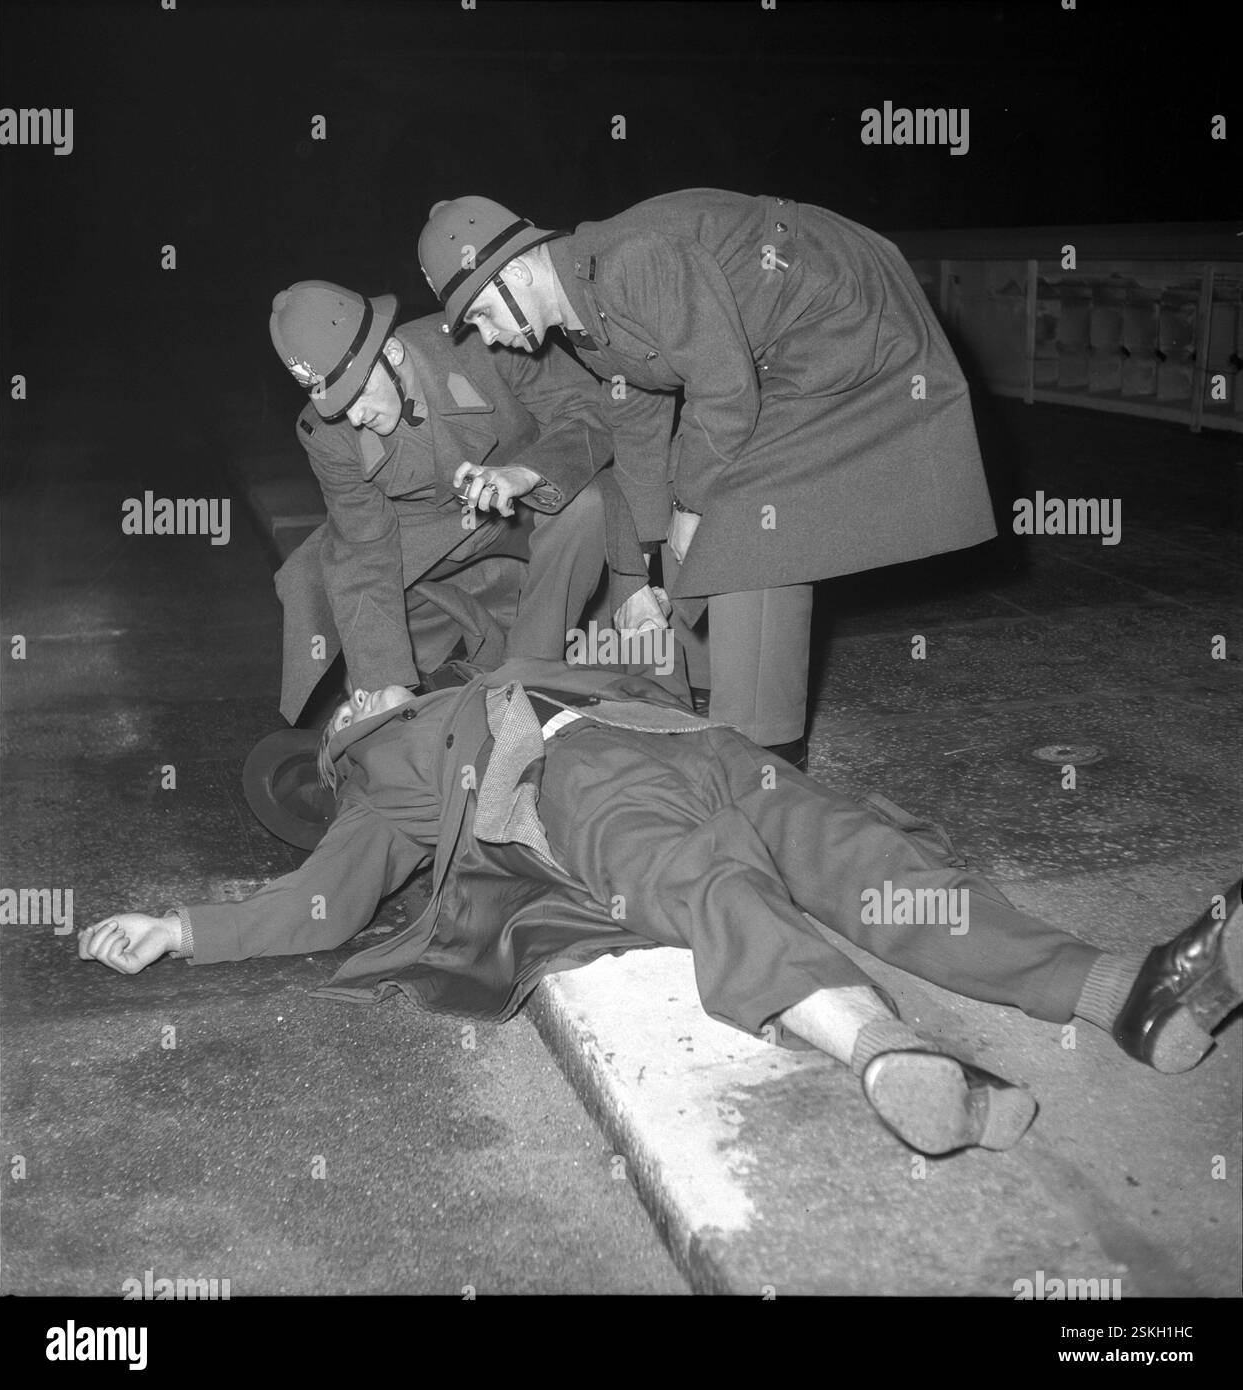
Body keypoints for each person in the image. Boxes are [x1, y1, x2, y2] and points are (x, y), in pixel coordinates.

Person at [78, 658, 1241, 1158]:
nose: (366, 688)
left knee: (863, 857)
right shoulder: (378, 778)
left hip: (688, 742)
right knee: (706, 887)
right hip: (572, 785)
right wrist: (185, 926)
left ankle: (1117, 988)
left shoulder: (476, 675)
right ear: (334, 746)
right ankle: (881, 1048)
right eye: (347, 706)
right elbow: (324, 902)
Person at [416, 191, 999, 766]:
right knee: (695, 486)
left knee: (749, 506)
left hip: (839, 308)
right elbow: (639, 426)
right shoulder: (581, 310)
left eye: (483, 315)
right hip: (778, 347)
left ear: (516, 272)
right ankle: (703, 686)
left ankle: (766, 752)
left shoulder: (629, 261)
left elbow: (722, 391)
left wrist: (694, 508)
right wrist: (643, 566)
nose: (489, 337)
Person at [268, 280, 664, 726]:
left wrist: (523, 473)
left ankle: (524, 689)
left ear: (393, 354)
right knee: (325, 593)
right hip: (422, 542)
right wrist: (386, 685)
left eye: (357, 394)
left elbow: (590, 415)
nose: (354, 417)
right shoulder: (326, 434)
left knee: (588, 503)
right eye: (336, 408)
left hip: (524, 510)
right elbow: (365, 550)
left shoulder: (486, 342)